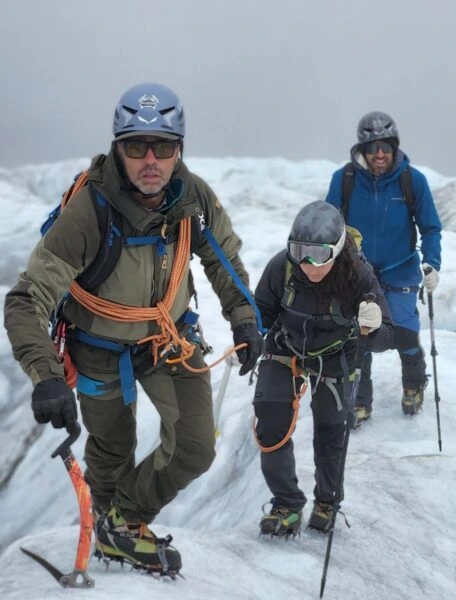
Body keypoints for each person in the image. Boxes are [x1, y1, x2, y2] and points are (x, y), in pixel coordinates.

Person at [3, 82, 264, 576]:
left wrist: (244, 318)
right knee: (111, 454)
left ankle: (121, 523)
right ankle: (115, 535)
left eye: (162, 147)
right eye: (136, 146)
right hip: (98, 346)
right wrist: (46, 375)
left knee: (194, 448)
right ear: (117, 148)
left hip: (169, 339)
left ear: (178, 150)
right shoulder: (90, 210)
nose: (150, 159)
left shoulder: (192, 199)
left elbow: (224, 259)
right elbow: (26, 299)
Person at [252, 200, 394, 536]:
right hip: (285, 347)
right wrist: (248, 337)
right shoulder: (282, 268)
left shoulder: (359, 276)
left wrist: (372, 328)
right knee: (270, 421)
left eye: (319, 254)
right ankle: (287, 504)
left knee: (332, 427)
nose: (308, 263)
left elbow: (388, 337)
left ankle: (328, 501)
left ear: (338, 248)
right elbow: (261, 313)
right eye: (299, 251)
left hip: (336, 355)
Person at [325, 111, 442, 422]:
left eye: (386, 146)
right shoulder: (345, 180)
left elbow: (430, 227)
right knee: (359, 334)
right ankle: (360, 401)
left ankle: (414, 385)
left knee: (404, 331)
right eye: (373, 147)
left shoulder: (412, 181)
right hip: (357, 273)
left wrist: (432, 263)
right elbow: (329, 224)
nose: (380, 154)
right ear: (362, 149)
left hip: (400, 271)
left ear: (395, 146)